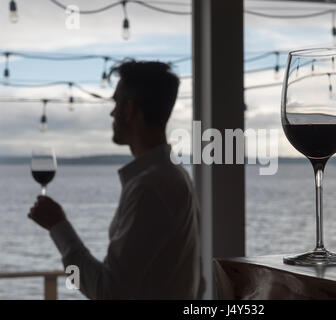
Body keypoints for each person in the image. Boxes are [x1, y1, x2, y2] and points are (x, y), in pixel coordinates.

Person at [27, 61, 204, 299]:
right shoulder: (176, 175)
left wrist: (58, 227)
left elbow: (108, 292)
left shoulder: (148, 188)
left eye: (116, 103)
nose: (112, 113)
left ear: (130, 110)